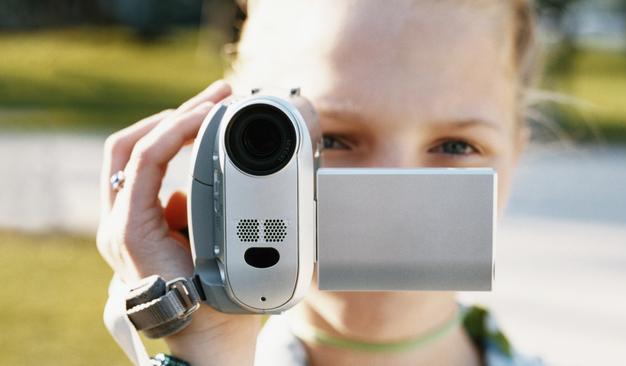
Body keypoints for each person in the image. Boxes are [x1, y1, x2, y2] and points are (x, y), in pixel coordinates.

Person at [97, 0, 543, 365]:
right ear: (229, 143)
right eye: (330, 139)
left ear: (516, 155)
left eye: (457, 146)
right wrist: (208, 342)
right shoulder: (211, 354)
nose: (389, 202)